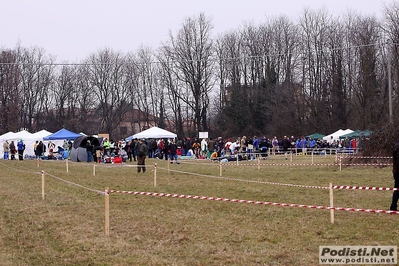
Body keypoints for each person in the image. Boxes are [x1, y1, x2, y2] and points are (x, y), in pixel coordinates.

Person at [390, 136, 399, 211]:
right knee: (397, 190)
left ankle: (393, 206)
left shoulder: (396, 145)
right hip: (398, 172)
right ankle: (393, 206)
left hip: (396, 171)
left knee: (397, 190)